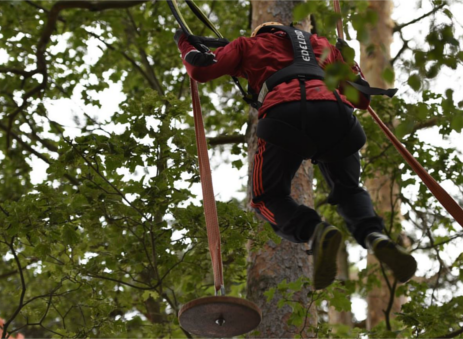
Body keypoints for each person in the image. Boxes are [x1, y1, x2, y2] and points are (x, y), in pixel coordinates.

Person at [174, 22, 416, 290]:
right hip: (336, 114)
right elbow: (361, 98)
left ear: (262, 33)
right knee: (348, 190)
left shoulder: (248, 44)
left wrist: (184, 42)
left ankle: (315, 231)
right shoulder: (323, 45)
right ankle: (374, 236)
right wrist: (351, 63)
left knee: (268, 196)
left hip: (285, 114)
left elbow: (200, 68)